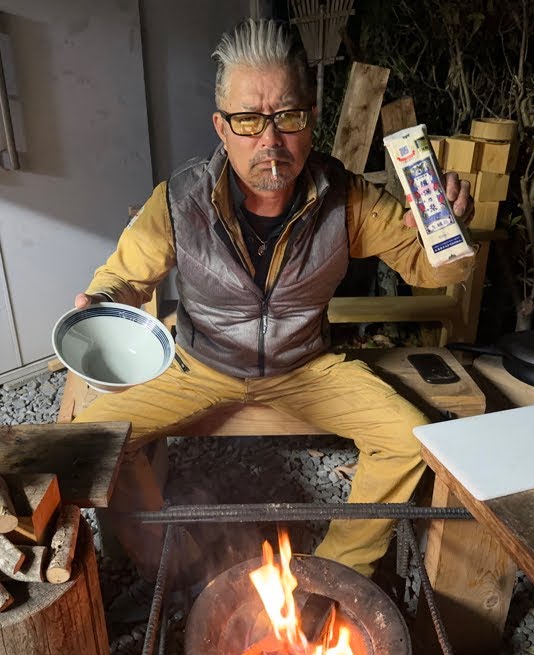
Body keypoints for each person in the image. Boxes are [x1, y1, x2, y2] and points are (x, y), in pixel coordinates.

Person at [73, 17, 475, 594]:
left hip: (304, 368)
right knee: (97, 440)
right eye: (248, 120)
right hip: (198, 365)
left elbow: (428, 268)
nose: (270, 140)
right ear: (221, 126)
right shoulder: (179, 202)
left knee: (408, 437)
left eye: (287, 117)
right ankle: (171, 565)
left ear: (310, 120)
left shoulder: (346, 197)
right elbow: (122, 280)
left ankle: (337, 572)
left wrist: (449, 231)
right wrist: (102, 305)